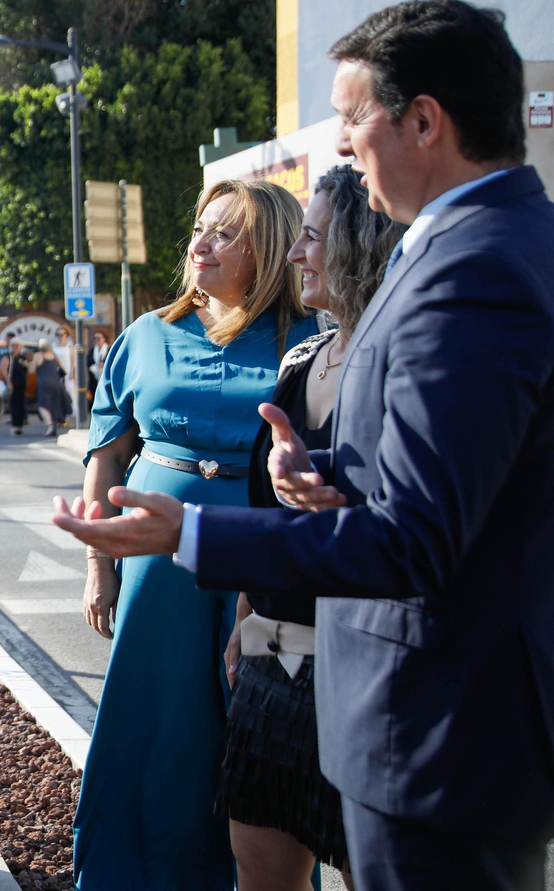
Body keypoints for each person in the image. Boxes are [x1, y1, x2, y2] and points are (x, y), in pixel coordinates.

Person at [54, 0, 554, 890]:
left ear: (426, 121)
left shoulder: (473, 270)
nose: (346, 147)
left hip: (441, 731)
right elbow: (467, 473)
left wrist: (190, 534)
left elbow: (418, 536)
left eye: (354, 118)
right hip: (437, 724)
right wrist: (326, 473)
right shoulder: (485, 246)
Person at [71, 178, 312, 891]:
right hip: (154, 563)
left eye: (224, 233)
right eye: (199, 230)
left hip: (262, 560)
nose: (200, 246)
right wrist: (97, 563)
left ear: (265, 248)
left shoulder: (309, 339)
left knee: (260, 739)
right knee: (155, 732)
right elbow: (107, 451)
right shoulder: (147, 335)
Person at [221, 164, 403, 890]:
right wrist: (246, 613)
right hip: (275, 662)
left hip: (369, 676)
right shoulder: (299, 363)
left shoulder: (403, 366)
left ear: (362, 245)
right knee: (260, 869)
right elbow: (267, 516)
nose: (296, 254)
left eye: (313, 237)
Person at [32, 339, 70, 438]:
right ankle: (55, 424)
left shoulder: (38, 355)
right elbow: (63, 369)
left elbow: (32, 370)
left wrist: (27, 364)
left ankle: (50, 425)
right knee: (53, 404)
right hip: (56, 382)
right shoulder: (54, 355)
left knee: (42, 406)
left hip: (44, 383)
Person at [55, 323, 78, 426]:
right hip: (57, 372)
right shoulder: (54, 345)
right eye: (59, 334)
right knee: (59, 394)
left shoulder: (70, 345)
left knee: (70, 392)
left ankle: (70, 414)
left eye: (63, 334)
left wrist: (72, 372)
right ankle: (60, 415)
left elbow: (73, 360)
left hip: (68, 372)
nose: (61, 336)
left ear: (66, 335)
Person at [6, 339, 29, 436]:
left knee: (21, 405)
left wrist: (26, 365)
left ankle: (19, 426)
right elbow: (4, 370)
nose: (16, 347)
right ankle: (14, 426)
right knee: (14, 405)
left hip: (22, 384)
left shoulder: (22, 357)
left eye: (18, 345)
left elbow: (28, 369)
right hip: (13, 383)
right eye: (14, 345)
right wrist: (8, 382)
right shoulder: (8, 357)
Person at [88, 329, 109, 398]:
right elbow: (88, 362)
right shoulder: (92, 351)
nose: (97, 340)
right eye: (95, 339)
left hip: (105, 377)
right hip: (94, 378)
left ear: (104, 339)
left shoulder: (109, 350)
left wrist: (104, 364)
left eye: (98, 338)